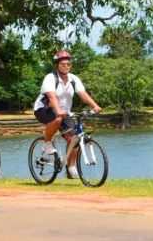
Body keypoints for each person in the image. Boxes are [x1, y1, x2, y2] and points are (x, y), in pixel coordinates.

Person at [33, 50, 102, 179]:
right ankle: (47, 143)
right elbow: (51, 97)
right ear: (57, 65)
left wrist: (95, 105)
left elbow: (83, 94)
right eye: (62, 64)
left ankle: (70, 169)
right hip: (44, 109)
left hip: (65, 113)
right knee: (57, 118)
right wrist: (58, 110)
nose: (66, 66)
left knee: (73, 140)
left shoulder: (73, 79)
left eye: (68, 64)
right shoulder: (50, 78)